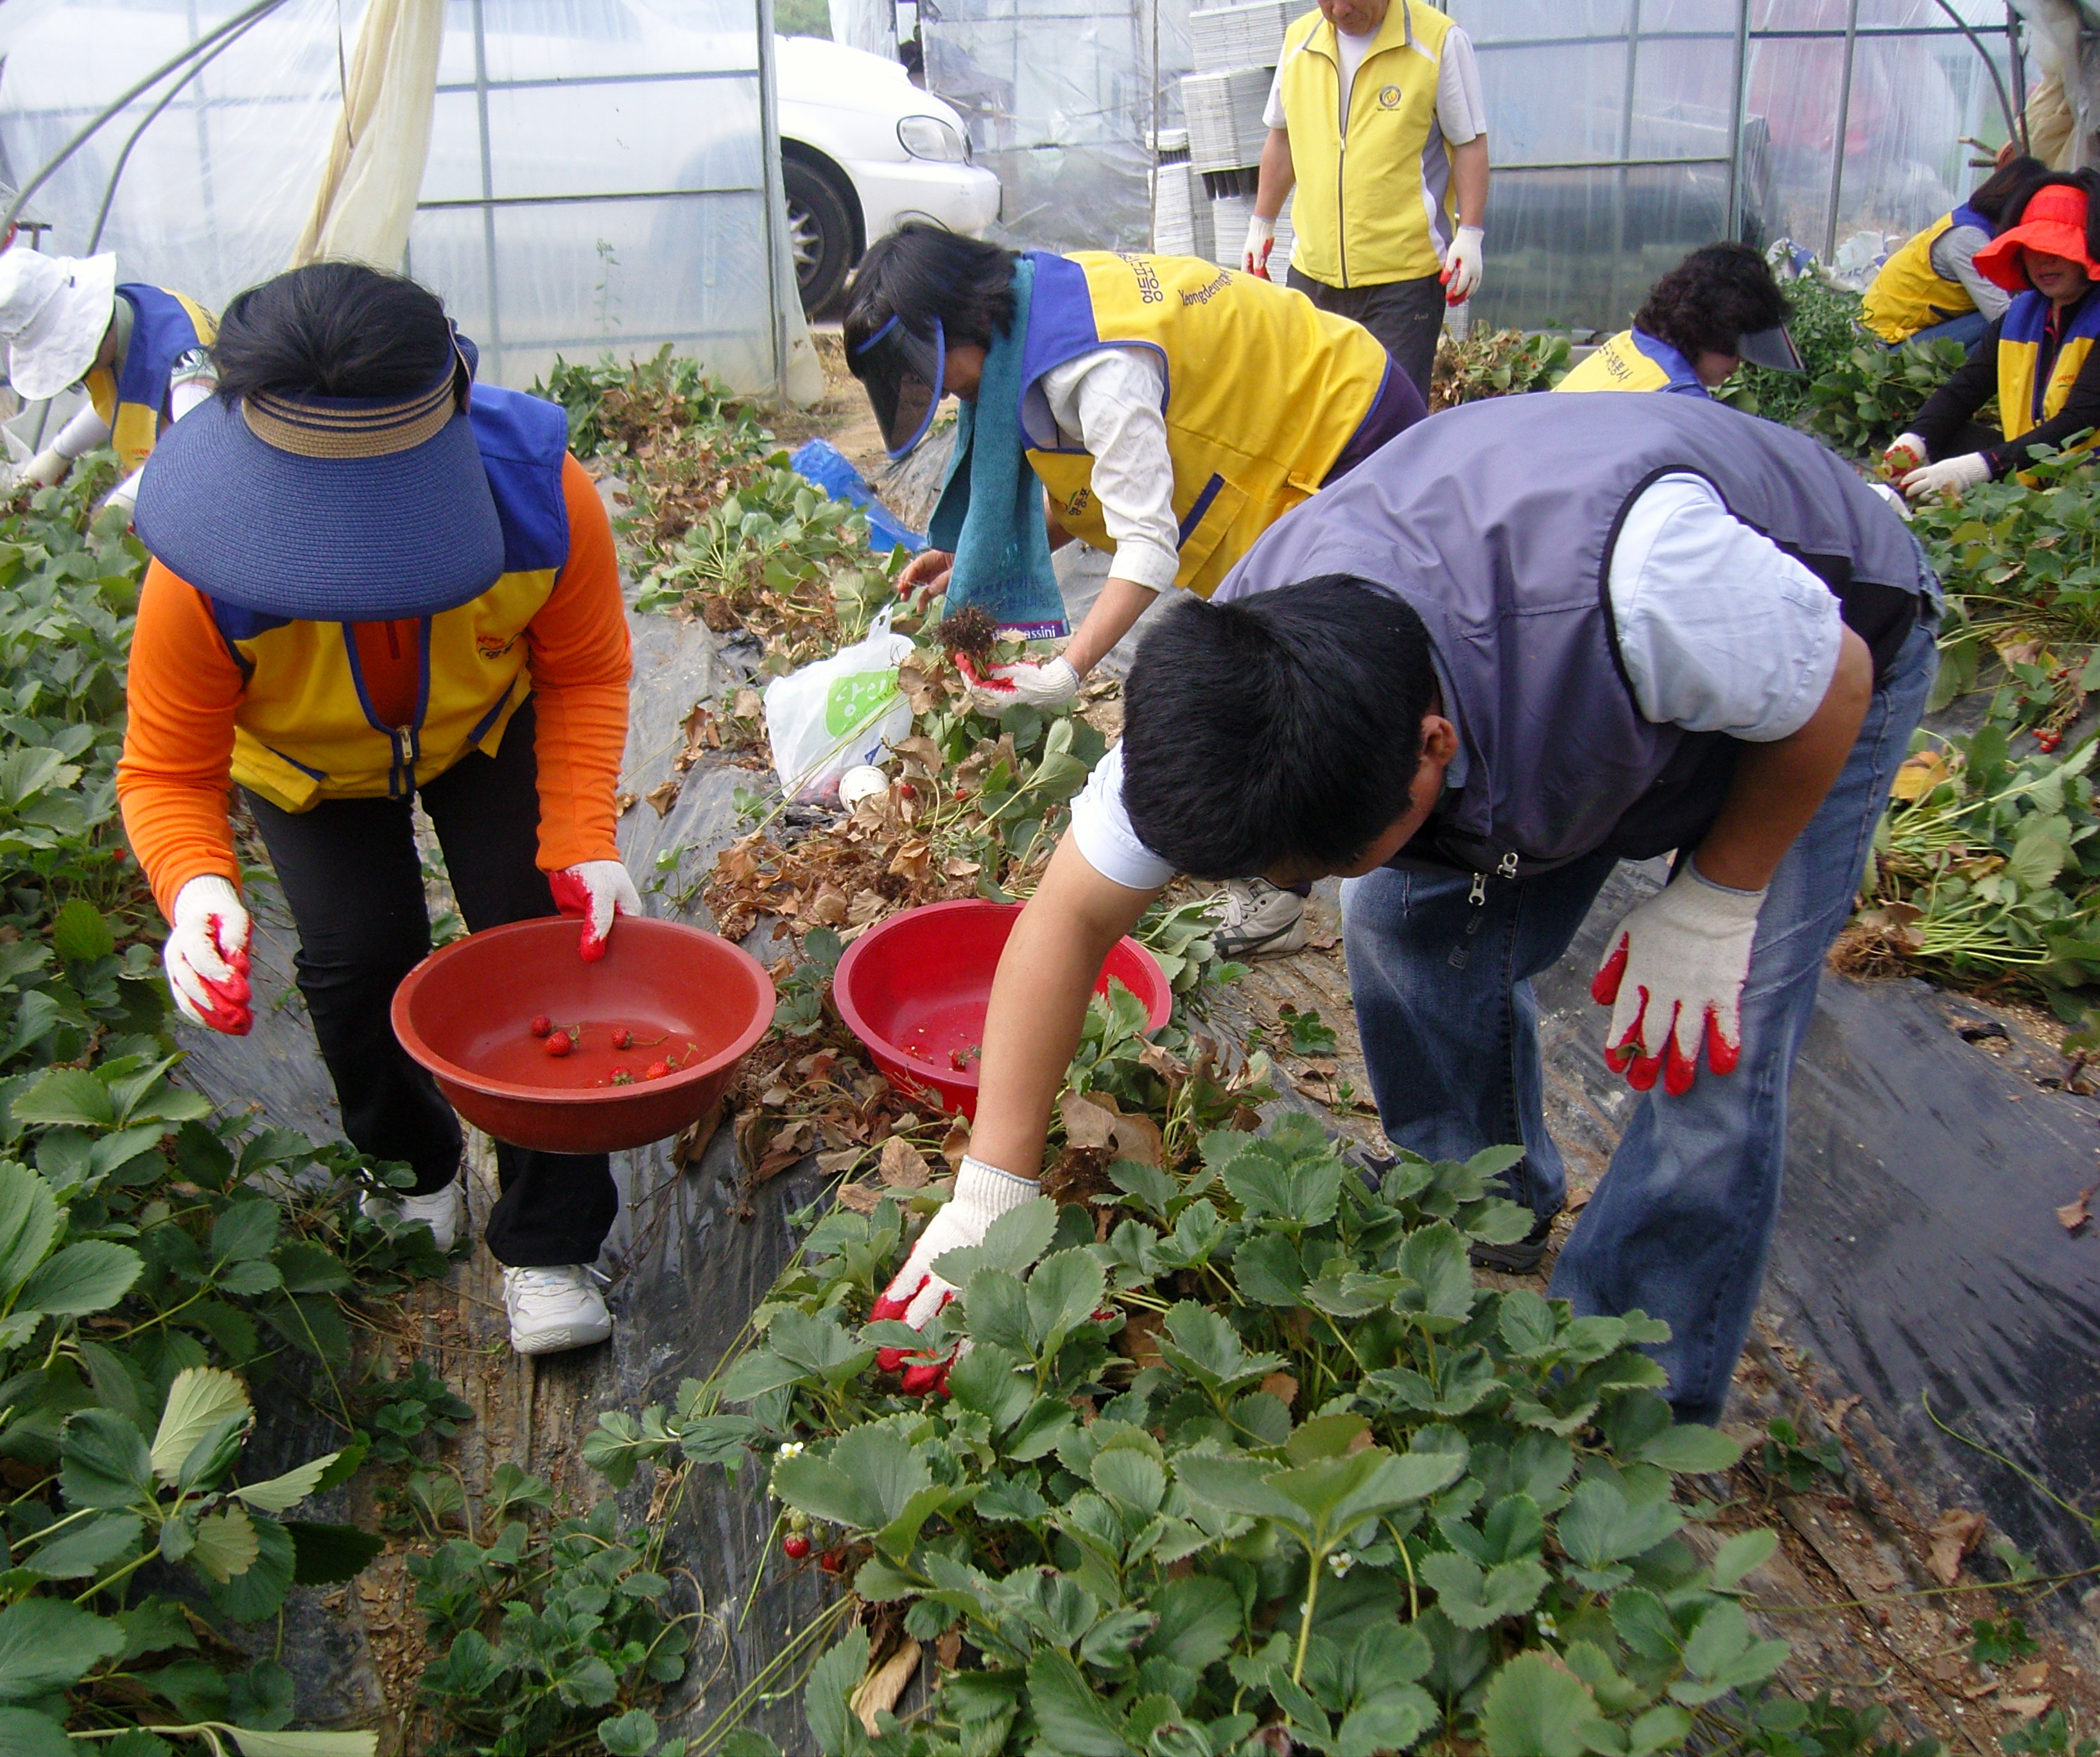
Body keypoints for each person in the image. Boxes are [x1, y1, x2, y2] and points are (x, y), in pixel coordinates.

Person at [867, 391, 1936, 1428]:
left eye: (1308, 865)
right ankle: (1483, 1199)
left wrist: (1715, 895)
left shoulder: (1651, 587)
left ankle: (1630, 1392)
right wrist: (991, 1191)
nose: (1291, 893)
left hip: (1824, 649)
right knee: (1399, 923)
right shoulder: (1233, 690)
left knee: (1708, 1042)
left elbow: (1830, 680)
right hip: (1575, 687)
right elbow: (1065, 921)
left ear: (1433, 753)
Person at [114, 262, 641, 1358]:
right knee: (360, 958)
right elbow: (165, 769)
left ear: (454, 400)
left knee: (540, 943)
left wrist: (582, 837)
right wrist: (197, 885)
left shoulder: (541, 494)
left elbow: (585, 670)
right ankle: (413, 1168)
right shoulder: (204, 568)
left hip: (482, 730)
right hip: (306, 770)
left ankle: (549, 1240)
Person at [846, 227, 1428, 959]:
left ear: (962, 318)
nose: (943, 391)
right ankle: (1291, 872)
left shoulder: (1094, 369)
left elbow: (1149, 545)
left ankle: (1328, 874)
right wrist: (966, 554)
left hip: (1342, 434)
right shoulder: (1027, 310)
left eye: (936, 373)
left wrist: (1068, 669)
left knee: (1297, 673)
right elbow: (1094, 495)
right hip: (1278, 433)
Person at [1244, 0, 1489, 392]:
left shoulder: (1437, 41)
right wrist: (1261, 223)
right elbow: (1283, 137)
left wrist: (1470, 233)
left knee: (1390, 421)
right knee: (1311, 413)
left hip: (1403, 280)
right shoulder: (1299, 42)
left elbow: (1469, 143)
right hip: (1313, 273)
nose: (1341, 10)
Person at [1887, 170, 2100, 500]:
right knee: (1946, 438)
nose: (2044, 260)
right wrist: (1915, 441)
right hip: (2040, 469)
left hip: (2088, 480)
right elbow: (1964, 389)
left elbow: (2080, 419)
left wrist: (1980, 467)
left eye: (2059, 248)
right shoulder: (2022, 314)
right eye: (2032, 247)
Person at [0, 247, 217, 512]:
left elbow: (196, 451)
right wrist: (58, 453)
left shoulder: (188, 360)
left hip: (222, 495)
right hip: (170, 483)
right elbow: (119, 402)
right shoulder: (128, 314)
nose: (83, 375)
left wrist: (121, 506)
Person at [1554, 243, 1803, 398]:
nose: (1740, 363)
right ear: (1709, 330)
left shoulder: (1627, 345)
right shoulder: (1679, 399)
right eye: (1735, 349)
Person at [1859, 154, 2051, 349]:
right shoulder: (1967, 237)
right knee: (2001, 327)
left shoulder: (1976, 219)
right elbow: (2001, 312)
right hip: (1884, 343)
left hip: (1907, 332)